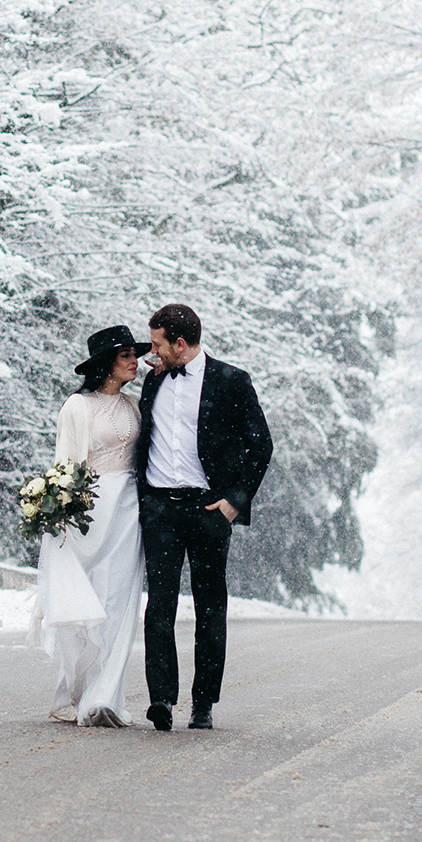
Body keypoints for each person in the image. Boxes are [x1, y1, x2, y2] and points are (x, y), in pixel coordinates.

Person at [134, 303, 273, 731]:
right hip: (160, 507)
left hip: (209, 510)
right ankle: (161, 698)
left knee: (210, 607)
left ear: (180, 343)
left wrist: (235, 501)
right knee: (159, 605)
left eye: (157, 344)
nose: (150, 353)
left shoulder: (231, 381)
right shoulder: (154, 381)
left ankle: (203, 703)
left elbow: (261, 446)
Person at [34, 325, 148, 726]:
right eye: (126, 355)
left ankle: (105, 700)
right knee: (88, 606)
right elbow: (65, 463)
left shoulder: (136, 405)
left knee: (119, 601)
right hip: (89, 513)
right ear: (106, 363)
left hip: (128, 510)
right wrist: (58, 513)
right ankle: (75, 689)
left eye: (136, 353)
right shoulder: (77, 407)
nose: (135, 361)